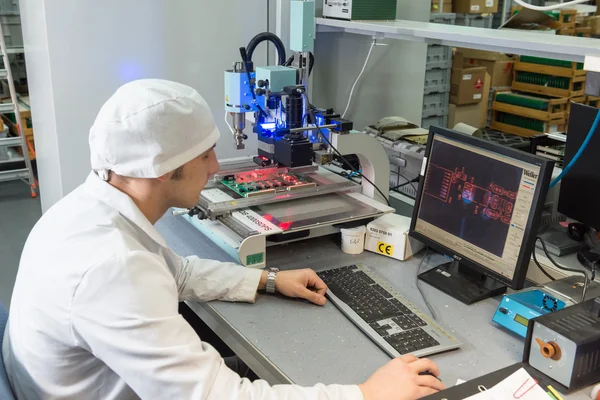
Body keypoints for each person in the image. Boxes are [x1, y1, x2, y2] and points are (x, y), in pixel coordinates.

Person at [2, 79, 445, 399]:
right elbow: (215, 396)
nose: (216, 167)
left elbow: (175, 272)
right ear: (164, 166)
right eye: (205, 153)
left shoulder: (88, 209)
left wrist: (267, 280)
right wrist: (366, 395)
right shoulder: (111, 267)